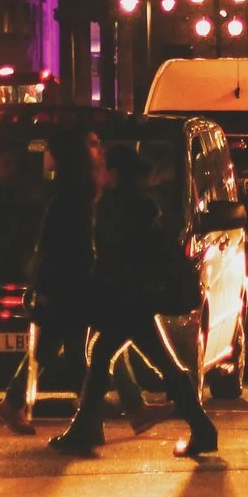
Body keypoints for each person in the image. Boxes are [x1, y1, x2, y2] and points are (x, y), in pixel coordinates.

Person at [51, 141, 219, 458]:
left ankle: (85, 430)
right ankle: (200, 428)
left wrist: (91, 290)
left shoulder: (114, 206)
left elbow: (112, 258)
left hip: (126, 299)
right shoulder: (137, 203)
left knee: (110, 356)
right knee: (129, 358)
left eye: (102, 168)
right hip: (137, 298)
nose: (98, 174)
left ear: (114, 173)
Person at [0, 129, 101, 434]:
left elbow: (53, 246)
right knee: (67, 351)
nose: (44, 157)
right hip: (71, 284)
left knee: (61, 349)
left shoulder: (66, 195)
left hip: (64, 284)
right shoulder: (77, 192)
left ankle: (17, 404)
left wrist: (43, 285)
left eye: (48, 150)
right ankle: (86, 416)